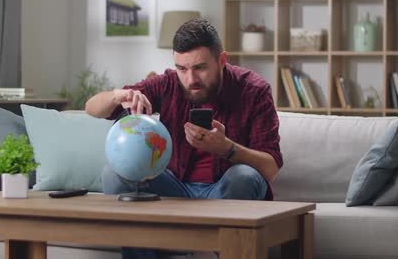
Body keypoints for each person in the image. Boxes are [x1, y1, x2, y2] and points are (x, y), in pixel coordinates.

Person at [85, 18, 282, 259]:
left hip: (223, 191)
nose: (190, 79)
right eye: (182, 69)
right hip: (173, 190)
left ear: (222, 60)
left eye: (200, 67)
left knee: (244, 176)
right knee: (114, 173)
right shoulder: (167, 84)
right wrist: (119, 95)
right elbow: (91, 108)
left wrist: (227, 148)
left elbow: (270, 169)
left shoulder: (254, 89)